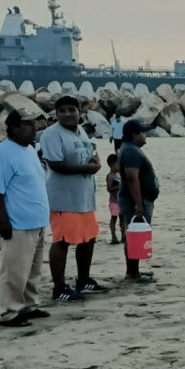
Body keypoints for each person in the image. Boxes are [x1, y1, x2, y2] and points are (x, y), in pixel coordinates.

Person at [0, 111, 52, 328]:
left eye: (35, 123)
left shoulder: (29, 150)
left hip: (36, 222)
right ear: (13, 128)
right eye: (28, 124)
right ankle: (9, 312)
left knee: (32, 271)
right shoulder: (2, 154)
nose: (34, 128)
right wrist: (4, 221)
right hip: (16, 224)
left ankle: (28, 306)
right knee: (14, 272)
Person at [41, 95, 104, 302]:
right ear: (56, 114)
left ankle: (83, 280)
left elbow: (88, 153)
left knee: (88, 238)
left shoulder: (81, 131)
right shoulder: (52, 134)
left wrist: (95, 161)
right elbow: (56, 164)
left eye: (71, 110)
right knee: (63, 240)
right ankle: (59, 288)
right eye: (62, 110)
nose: (67, 114)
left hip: (84, 196)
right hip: (63, 197)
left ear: (80, 112)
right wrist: (88, 168)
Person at [117, 120, 160, 282]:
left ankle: (134, 271)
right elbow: (131, 178)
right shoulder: (131, 151)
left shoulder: (130, 149)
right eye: (143, 132)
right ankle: (132, 273)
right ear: (134, 134)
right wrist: (139, 203)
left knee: (135, 234)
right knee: (134, 235)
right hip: (134, 200)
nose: (145, 135)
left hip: (138, 198)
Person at [105, 154, 123, 245]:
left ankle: (124, 236)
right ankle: (114, 236)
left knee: (122, 218)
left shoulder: (119, 175)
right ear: (111, 165)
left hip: (121, 201)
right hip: (114, 202)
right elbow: (109, 189)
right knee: (114, 218)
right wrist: (118, 187)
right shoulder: (110, 176)